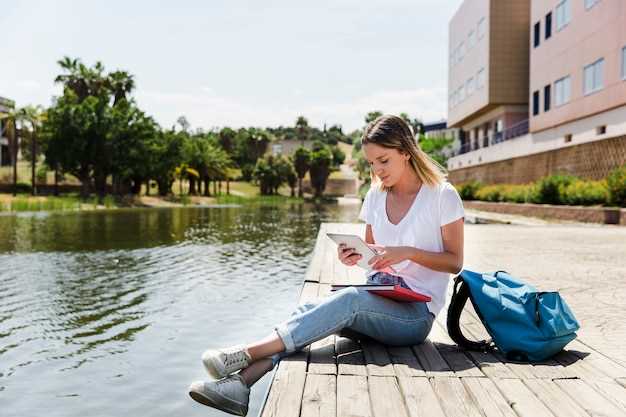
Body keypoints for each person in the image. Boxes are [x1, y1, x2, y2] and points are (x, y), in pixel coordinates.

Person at [188, 114, 465, 416]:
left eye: (383, 161)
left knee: (348, 301)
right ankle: (240, 384)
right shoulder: (375, 196)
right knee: (311, 311)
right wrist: (359, 257)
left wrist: (408, 252)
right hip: (379, 296)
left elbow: (454, 262)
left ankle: (244, 354)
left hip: (415, 316)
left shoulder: (442, 196)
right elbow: (375, 258)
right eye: (371, 163)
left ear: (406, 151)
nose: (377, 170)